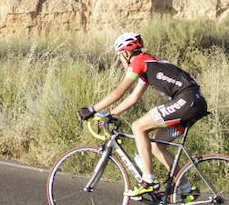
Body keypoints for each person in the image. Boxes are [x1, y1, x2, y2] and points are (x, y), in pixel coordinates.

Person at [78, 32, 208, 199]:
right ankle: (186, 188)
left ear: (125, 53)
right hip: (195, 101)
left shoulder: (138, 63)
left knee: (138, 126)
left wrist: (92, 109)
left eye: (119, 57)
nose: (120, 60)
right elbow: (134, 97)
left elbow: (119, 92)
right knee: (156, 146)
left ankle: (148, 181)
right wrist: (110, 114)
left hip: (186, 100)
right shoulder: (148, 63)